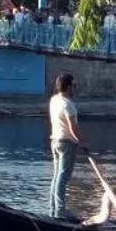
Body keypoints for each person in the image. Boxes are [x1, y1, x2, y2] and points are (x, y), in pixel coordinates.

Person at [48, 72, 86, 220]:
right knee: (63, 177)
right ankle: (60, 211)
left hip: (55, 141)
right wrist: (83, 142)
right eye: (73, 85)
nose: (74, 88)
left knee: (57, 176)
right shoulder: (68, 104)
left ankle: (53, 209)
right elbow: (73, 129)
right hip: (67, 143)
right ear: (69, 86)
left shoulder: (54, 100)